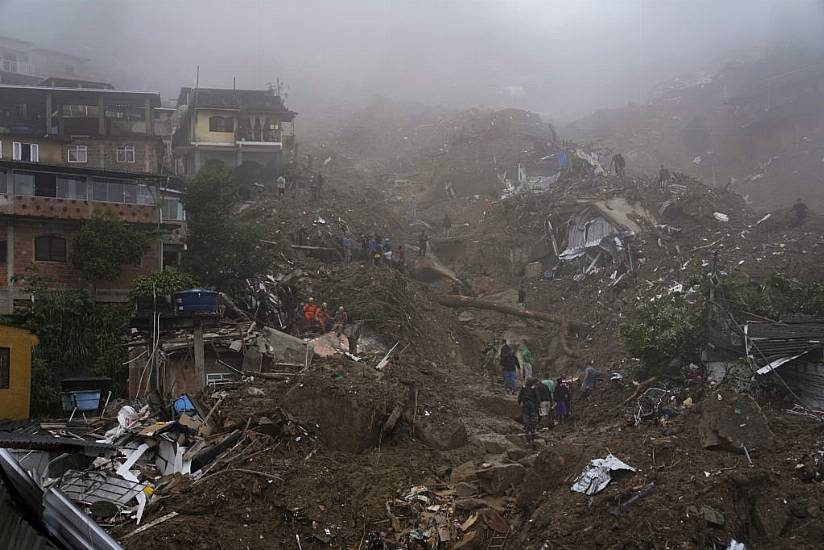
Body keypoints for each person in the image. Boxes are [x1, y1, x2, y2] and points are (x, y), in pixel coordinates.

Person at [518, 377, 541, 444]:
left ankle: (527, 427)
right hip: (532, 404)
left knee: (526, 415)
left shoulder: (524, 387)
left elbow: (520, 396)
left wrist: (519, 402)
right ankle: (533, 428)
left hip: (525, 404)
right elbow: (538, 397)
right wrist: (537, 405)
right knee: (533, 416)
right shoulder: (534, 388)